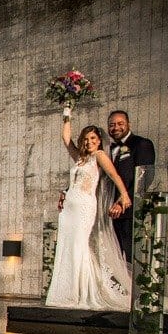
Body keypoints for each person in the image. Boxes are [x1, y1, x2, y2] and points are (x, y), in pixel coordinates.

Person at [45, 110, 133, 311]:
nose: (88, 142)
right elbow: (65, 138)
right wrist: (67, 110)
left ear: (99, 141)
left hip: (84, 206)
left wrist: (124, 195)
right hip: (69, 208)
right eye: (85, 138)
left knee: (79, 245)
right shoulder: (79, 158)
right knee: (66, 247)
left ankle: (81, 293)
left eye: (92, 138)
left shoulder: (100, 156)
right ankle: (64, 293)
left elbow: (114, 176)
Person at [107, 110, 156, 261]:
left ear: (129, 124)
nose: (116, 128)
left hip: (130, 212)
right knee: (114, 259)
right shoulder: (108, 150)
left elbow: (144, 178)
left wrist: (123, 202)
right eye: (112, 125)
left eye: (120, 123)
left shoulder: (141, 144)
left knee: (131, 258)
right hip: (109, 211)